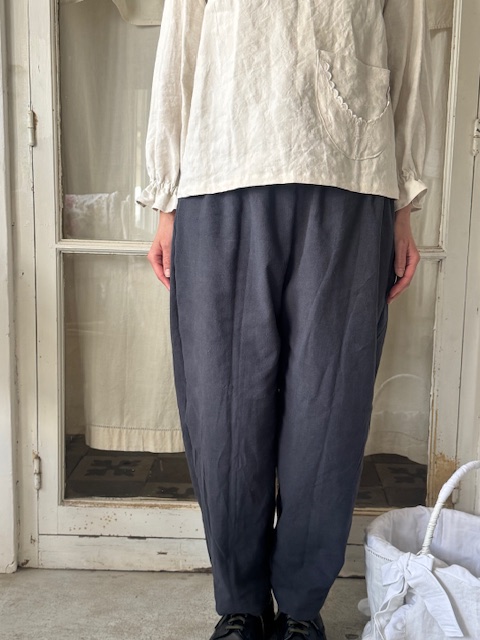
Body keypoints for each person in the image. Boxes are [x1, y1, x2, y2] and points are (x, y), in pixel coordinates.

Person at [137, 1, 431, 639]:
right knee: (223, 409)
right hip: (222, 165)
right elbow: (181, 44)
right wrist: (166, 199)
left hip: (349, 171)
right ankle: (240, 603)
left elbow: (406, 53)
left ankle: (301, 608)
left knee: (330, 407)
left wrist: (403, 201)